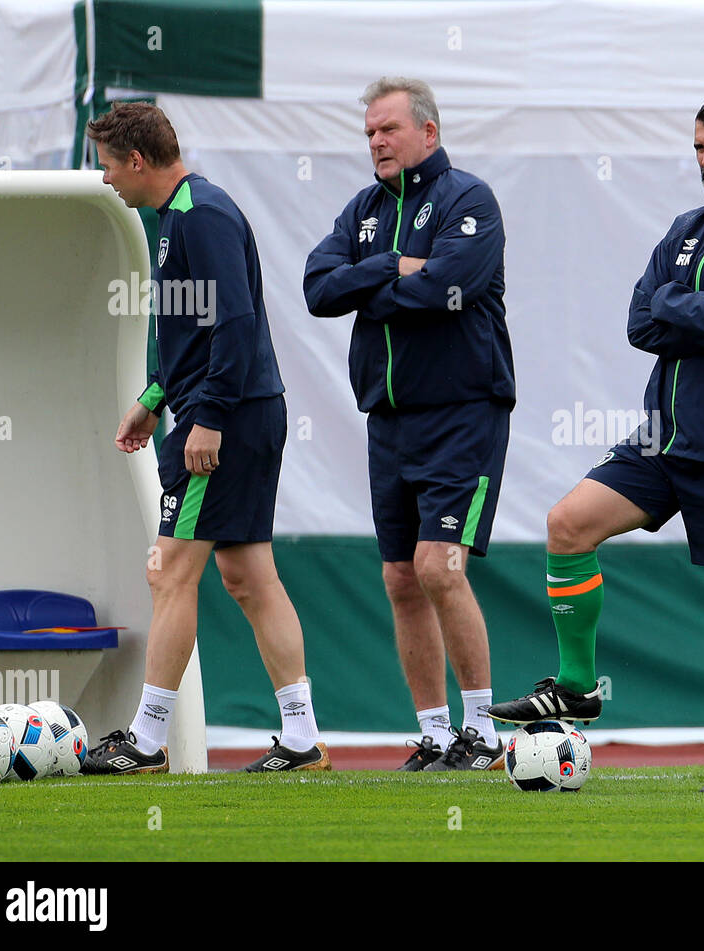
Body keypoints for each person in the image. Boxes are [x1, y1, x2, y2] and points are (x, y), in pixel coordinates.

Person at [487, 91, 704, 792]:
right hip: (665, 438)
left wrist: (685, 309)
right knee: (567, 524)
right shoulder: (688, 227)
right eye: (698, 147)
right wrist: (695, 313)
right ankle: (578, 686)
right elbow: (641, 320)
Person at [83, 102, 328, 774]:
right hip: (229, 411)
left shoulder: (202, 213)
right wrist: (154, 397)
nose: (105, 179)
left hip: (226, 418)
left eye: (107, 164)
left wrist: (207, 417)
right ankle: (304, 739)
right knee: (248, 575)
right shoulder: (176, 217)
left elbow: (237, 323)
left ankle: (147, 740)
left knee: (168, 573)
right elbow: (189, 329)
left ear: (137, 160)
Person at [304, 78, 514, 772]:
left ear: (428, 132)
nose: (377, 142)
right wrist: (391, 264)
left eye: (388, 129)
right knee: (400, 577)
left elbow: (446, 289)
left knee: (438, 567)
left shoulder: (468, 199)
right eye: (368, 132)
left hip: (462, 413)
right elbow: (316, 288)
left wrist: (374, 287)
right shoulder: (363, 209)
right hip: (389, 421)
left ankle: (483, 731)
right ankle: (435, 732)